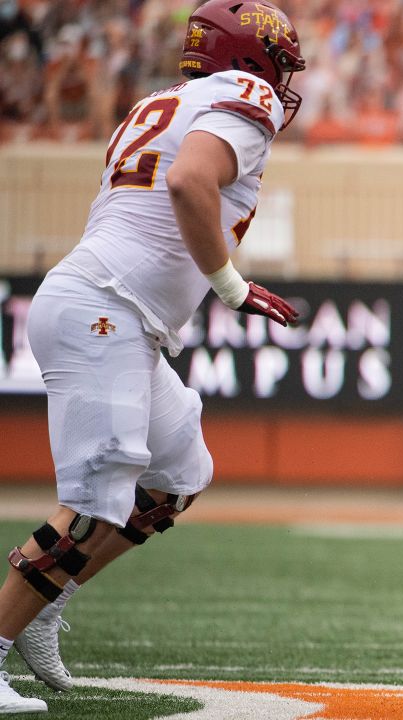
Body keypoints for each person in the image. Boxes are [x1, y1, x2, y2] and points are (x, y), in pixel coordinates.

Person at [0, 1, 305, 713]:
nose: (284, 81)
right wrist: (231, 285)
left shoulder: (163, 100)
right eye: (280, 64)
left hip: (111, 312)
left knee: (177, 477)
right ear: (252, 59)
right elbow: (187, 182)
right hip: (105, 310)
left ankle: (48, 600)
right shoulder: (245, 94)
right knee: (100, 497)